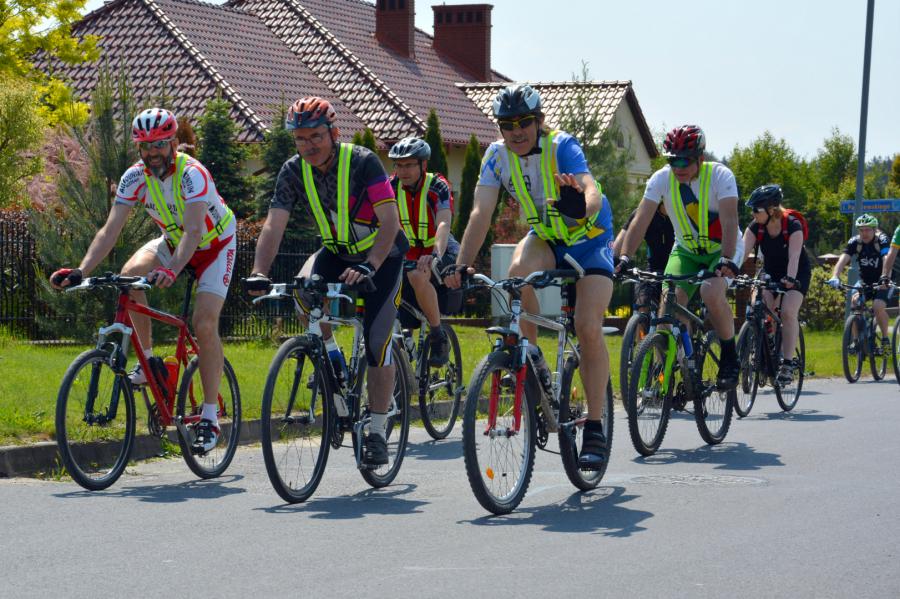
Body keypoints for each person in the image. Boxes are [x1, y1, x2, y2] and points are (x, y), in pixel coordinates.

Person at [444, 84, 614, 471]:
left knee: (587, 326)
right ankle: (529, 362)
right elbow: (480, 213)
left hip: (590, 242)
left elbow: (590, 190)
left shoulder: (561, 146)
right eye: (507, 125)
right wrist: (461, 264)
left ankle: (594, 427)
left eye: (523, 122)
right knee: (517, 274)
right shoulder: (495, 156)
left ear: (538, 121)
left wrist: (582, 209)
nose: (516, 131)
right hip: (549, 238)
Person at [50, 107, 236, 454]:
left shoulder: (193, 174)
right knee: (128, 278)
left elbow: (194, 231)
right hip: (173, 241)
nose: (153, 153)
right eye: (146, 146)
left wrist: (172, 269)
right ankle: (150, 363)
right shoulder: (134, 177)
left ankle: (210, 418)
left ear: (174, 143)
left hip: (215, 246)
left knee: (204, 323)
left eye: (160, 144)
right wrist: (80, 271)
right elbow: (110, 230)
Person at [246, 97, 406, 468]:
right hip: (336, 252)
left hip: (381, 256)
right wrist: (259, 271)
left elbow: (390, 223)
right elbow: (274, 224)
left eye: (315, 136)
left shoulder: (363, 162)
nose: (308, 145)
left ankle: (377, 430)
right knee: (303, 291)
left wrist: (370, 265)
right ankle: (330, 363)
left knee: (377, 341)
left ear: (334, 133)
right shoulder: (292, 170)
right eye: (300, 139)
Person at [616, 124, 744, 389]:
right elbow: (640, 221)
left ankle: (730, 356)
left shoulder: (720, 175)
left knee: (710, 292)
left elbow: (730, 221)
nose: (678, 167)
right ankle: (685, 367)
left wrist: (727, 259)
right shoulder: (660, 180)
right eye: (673, 161)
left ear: (700, 158)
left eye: (684, 160)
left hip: (722, 250)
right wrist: (625, 257)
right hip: (685, 250)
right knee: (669, 306)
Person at [388, 136, 459, 366]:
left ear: (423, 165)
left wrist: (435, 254)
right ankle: (403, 359)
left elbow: (444, 223)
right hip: (408, 254)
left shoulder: (437, 186)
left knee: (418, 274)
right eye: (399, 165)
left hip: (442, 250)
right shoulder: (390, 187)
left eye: (409, 165)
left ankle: (438, 336)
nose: (403, 171)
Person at [739, 184, 809, 384]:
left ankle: (787, 363)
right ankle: (765, 345)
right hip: (770, 272)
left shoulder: (792, 225)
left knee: (787, 312)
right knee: (759, 307)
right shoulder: (756, 226)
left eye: (756, 210)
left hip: (796, 273)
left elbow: (794, 257)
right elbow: (741, 252)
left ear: (771, 210)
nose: (753, 214)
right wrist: (730, 271)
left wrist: (790, 279)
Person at [828, 213, 891, 350]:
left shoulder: (882, 239)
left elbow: (886, 258)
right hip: (865, 281)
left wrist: (885, 277)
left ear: (875, 229)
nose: (864, 233)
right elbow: (843, 259)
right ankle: (856, 341)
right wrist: (835, 276)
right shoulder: (855, 242)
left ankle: (885, 339)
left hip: (883, 279)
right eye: (861, 230)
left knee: (878, 306)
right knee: (855, 304)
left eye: (868, 230)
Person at [612, 202, 675, 310]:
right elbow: (619, 244)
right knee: (642, 304)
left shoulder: (681, 212)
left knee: (673, 309)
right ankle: (641, 319)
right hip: (653, 268)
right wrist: (612, 263)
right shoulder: (643, 213)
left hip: (680, 269)